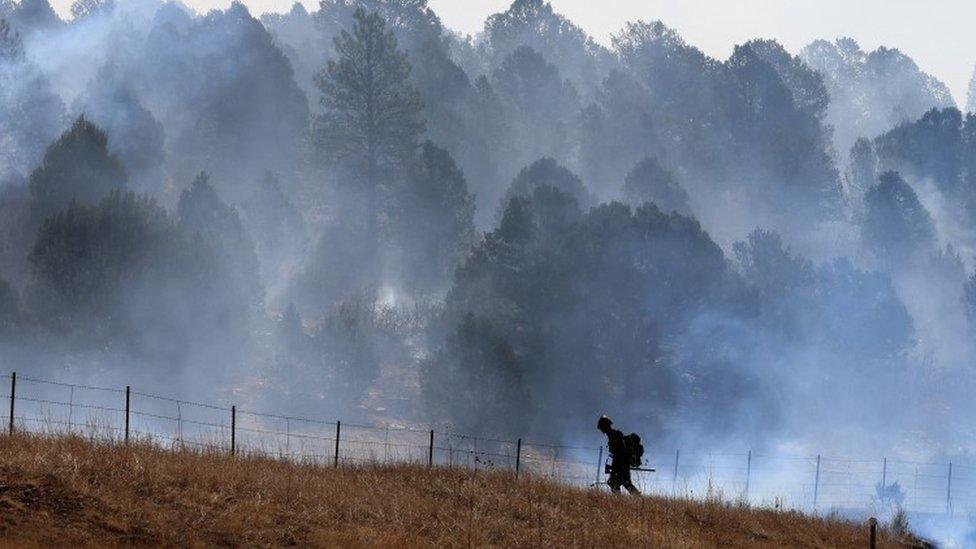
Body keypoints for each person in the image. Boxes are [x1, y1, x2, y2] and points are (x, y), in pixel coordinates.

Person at [597, 415, 640, 494]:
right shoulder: (614, 434)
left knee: (622, 482)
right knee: (617, 482)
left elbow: (619, 452)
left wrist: (614, 467)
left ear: (605, 426)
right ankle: (623, 499)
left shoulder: (614, 435)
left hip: (621, 463)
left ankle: (636, 498)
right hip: (621, 462)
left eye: (602, 428)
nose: (601, 430)